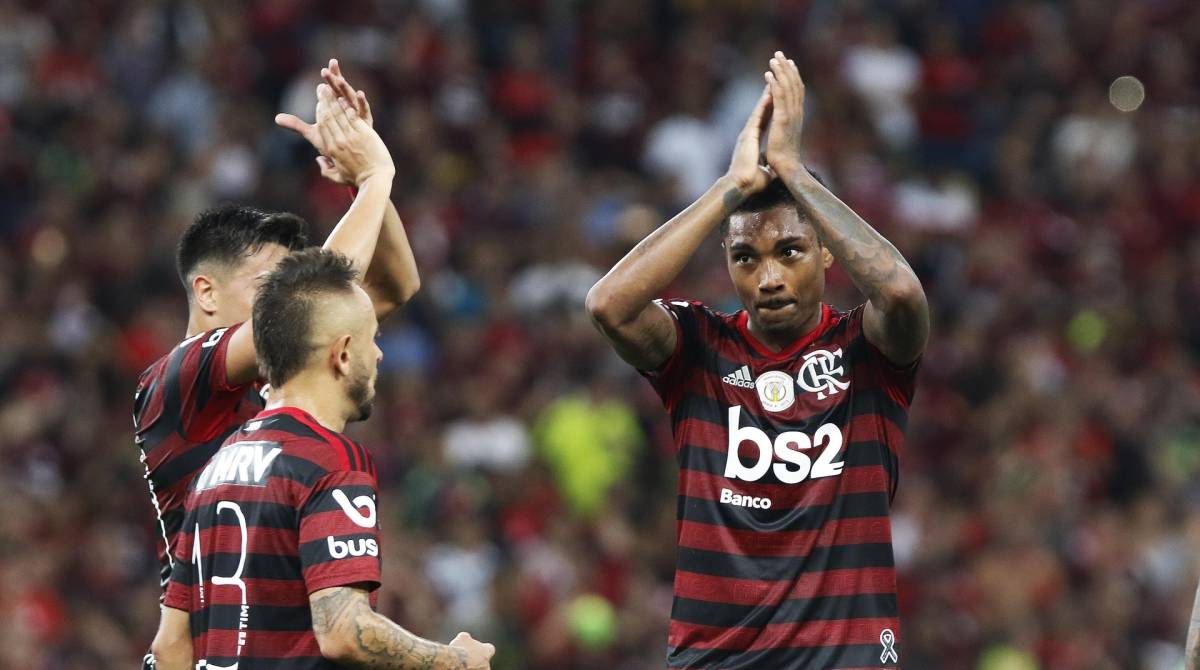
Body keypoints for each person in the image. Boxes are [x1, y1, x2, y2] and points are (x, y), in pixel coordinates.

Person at [586, 52, 929, 668]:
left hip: (844, 655)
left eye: (790, 251)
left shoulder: (866, 352)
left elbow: (902, 292)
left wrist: (796, 175)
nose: (769, 277)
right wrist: (728, 191)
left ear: (826, 255)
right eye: (746, 258)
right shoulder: (699, 347)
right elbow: (609, 305)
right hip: (716, 655)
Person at [133, 61, 418, 668]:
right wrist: (374, 178)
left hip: (245, 616)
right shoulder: (175, 378)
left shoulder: (286, 371)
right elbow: (315, 302)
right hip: (214, 630)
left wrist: (364, 181)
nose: (287, 295)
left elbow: (393, 287)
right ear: (206, 292)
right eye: (270, 282)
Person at [149, 248, 494, 669]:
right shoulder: (329, 459)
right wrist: (453, 661)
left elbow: (169, 649)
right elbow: (343, 631)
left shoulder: (213, 470)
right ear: (344, 353)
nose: (379, 356)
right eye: (373, 340)